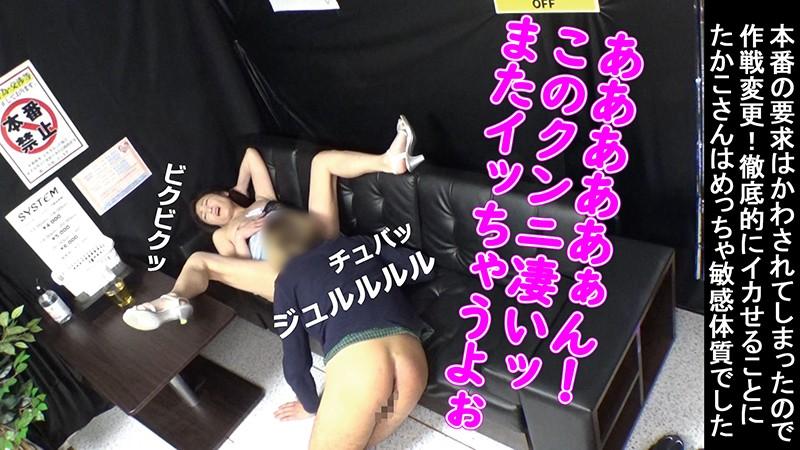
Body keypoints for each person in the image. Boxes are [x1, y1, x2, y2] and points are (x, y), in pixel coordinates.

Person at [121, 116, 431, 448]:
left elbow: (251, 156)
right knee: (198, 260)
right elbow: (242, 275)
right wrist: (240, 238)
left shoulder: (260, 200)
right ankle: (173, 299)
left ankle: (390, 161)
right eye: (205, 215)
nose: (209, 209)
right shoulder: (225, 236)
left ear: (222, 193)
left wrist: (240, 188)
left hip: (317, 239)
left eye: (209, 202)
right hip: (279, 268)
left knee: (323, 163)